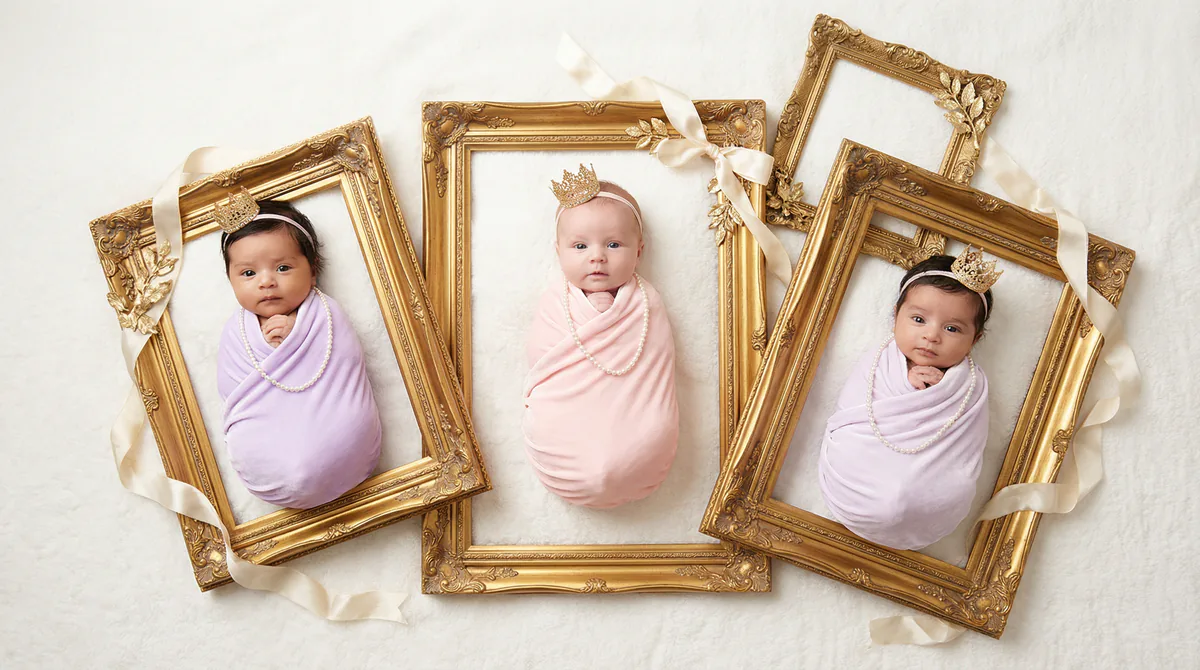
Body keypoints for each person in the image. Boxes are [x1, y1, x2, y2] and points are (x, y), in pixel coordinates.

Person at [817, 248, 1001, 550]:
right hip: (866, 462)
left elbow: (966, 449)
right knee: (864, 466)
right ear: (895, 317)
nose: (932, 336)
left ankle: (910, 506)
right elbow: (851, 418)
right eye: (918, 319)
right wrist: (905, 385)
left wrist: (940, 393)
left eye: (952, 328)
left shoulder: (971, 384)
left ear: (975, 339)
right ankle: (875, 503)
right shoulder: (878, 363)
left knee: (951, 486)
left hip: (929, 481)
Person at [522, 165, 679, 508]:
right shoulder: (554, 302)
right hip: (568, 423)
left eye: (613, 244)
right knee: (552, 419)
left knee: (652, 424)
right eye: (580, 245)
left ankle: (638, 452)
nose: (597, 256)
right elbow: (542, 361)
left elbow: (658, 364)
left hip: (637, 432)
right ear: (558, 250)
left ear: (639, 251)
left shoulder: (646, 301)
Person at [216, 190, 381, 509]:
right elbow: (234, 395)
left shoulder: (327, 315)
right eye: (248, 273)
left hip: (345, 444)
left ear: (313, 268)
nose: (266, 282)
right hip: (270, 452)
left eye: (282, 268)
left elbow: (344, 361)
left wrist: (297, 338)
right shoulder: (235, 333)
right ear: (231, 279)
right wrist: (267, 348)